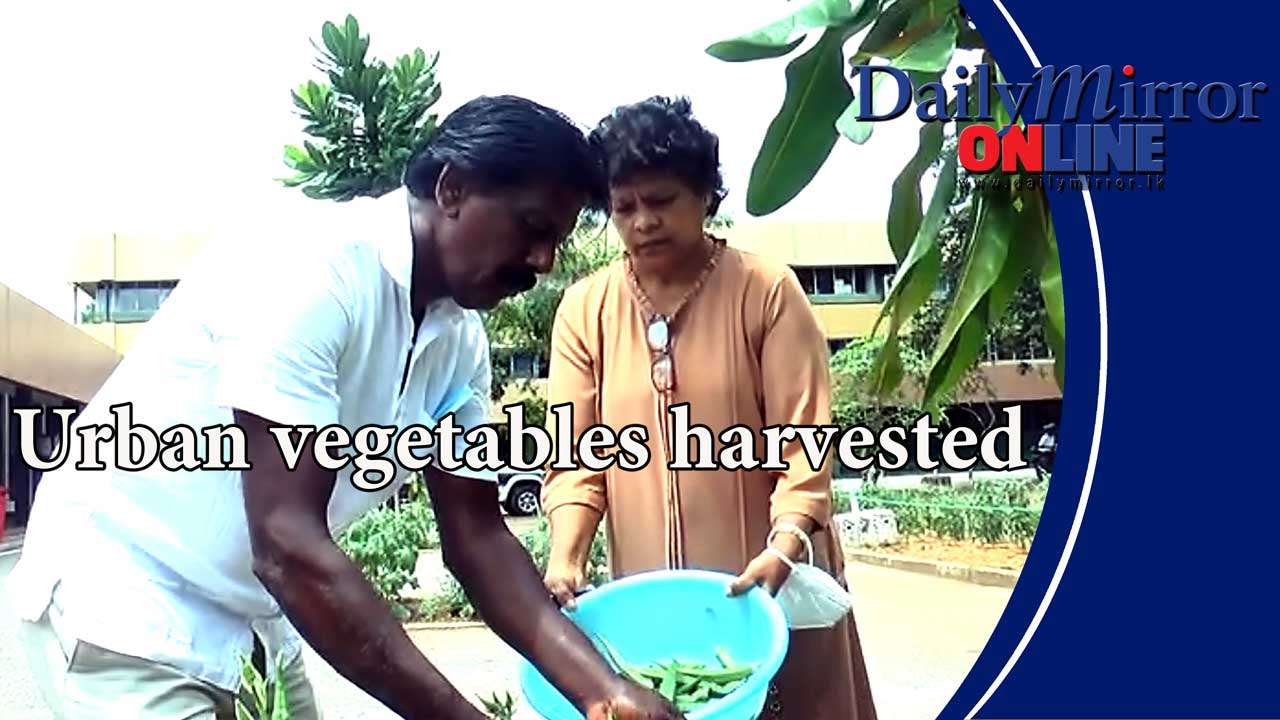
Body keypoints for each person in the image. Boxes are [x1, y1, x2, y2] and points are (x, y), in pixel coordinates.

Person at [9, 95, 679, 720]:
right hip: (123, 601)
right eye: (532, 229)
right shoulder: (313, 269)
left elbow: (476, 537)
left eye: (555, 241)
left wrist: (607, 691)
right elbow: (287, 543)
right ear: (451, 190)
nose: (542, 260)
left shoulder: (457, 341)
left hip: (249, 625)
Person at [540, 96, 879, 719]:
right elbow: (575, 461)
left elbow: (804, 441)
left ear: (706, 196)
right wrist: (565, 555)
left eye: (662, 200)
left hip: (771, 584)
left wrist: (785, 546)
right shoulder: (584, 311)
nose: (643, 221)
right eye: (624, 207)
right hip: (655, 610)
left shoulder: (766, 291)